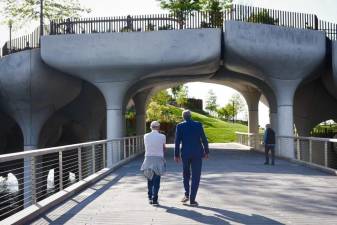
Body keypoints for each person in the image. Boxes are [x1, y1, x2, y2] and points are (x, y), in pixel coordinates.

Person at [174, 110, 209, 206]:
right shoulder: (198, 125)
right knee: (196, 176)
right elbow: (204, 139)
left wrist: (176, 155)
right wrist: (206, 152)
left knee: (186, 174)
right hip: (197, 153)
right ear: (191, 116)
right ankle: (192, 199)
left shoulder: (180, 126)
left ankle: (186, 195)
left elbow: (177, 141)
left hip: (185, 154)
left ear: (183, 117)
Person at [140, 121, 166, 206]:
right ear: (158, 127)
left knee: (149, 178)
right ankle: (155, 199)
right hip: (158, 158)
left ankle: (150, 196)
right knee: (157, 179)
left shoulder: (146, 136)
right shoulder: (163, 136)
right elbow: (163, 148)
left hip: (148, 158)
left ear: (151, 127)